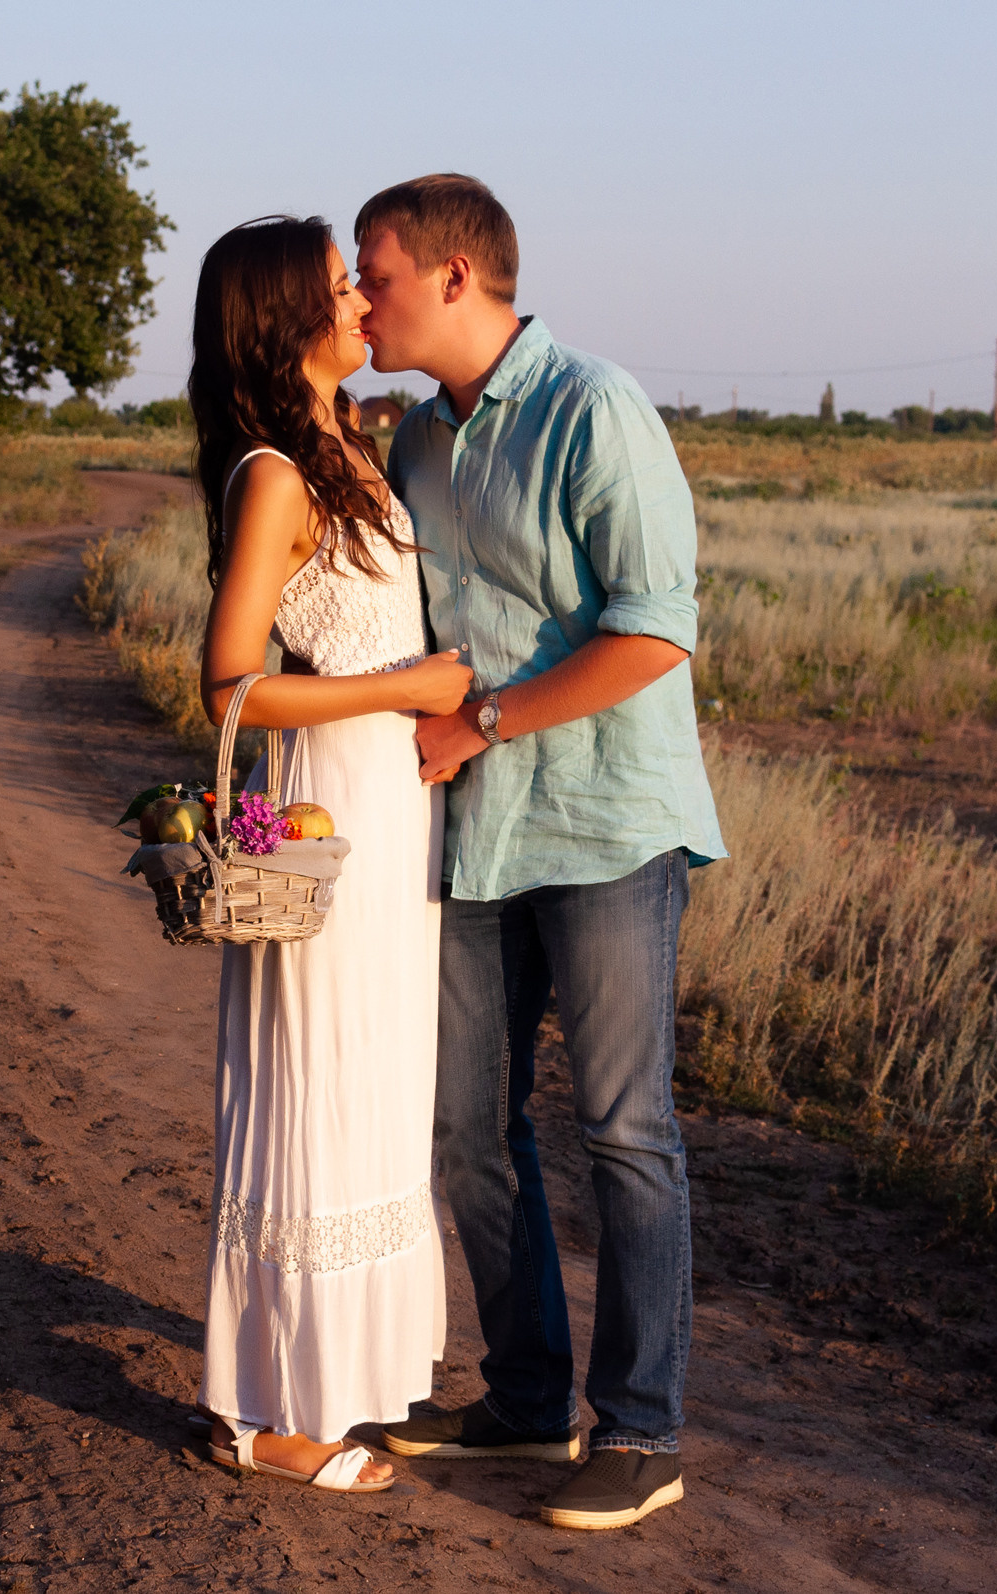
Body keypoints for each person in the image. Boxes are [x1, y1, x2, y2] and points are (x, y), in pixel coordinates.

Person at [358, 174, 728, 1531]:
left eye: (376, 270)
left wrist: (487, 719)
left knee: (626, 1129)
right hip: (475, 831)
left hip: (607, 820)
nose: (361, 293)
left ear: (457, 274)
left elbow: (653, 631)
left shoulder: (596, 408)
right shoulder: (411, 438)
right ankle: (524, 1402)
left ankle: (641, 1430)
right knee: (464, 1123)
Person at [188, 215, 474, 1493]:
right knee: (315, 1089)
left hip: (392, 806)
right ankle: (272, 1412)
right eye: (339, 283)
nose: (364, 297)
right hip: (325, 816)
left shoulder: (351, 445)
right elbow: (228, 684)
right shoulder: (272, 475)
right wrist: (400, 684)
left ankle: (334, 1376)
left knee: (372, 1090)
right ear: (286, 316)